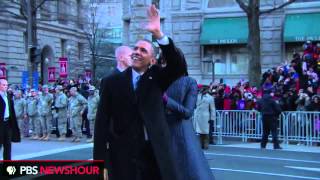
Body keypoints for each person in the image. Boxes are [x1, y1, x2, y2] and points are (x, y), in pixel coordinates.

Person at [94, 5, 185, 180]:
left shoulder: (158, 78)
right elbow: (101, 123)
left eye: (143, 50)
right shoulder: (111, 82)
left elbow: (177, 65)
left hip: (155, 152)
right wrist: (100, 163)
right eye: (135, 49)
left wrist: (158, 34)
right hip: (123, 154)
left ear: (152, 60)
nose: (137, 52)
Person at [162, 54, 214, 180]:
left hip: (180, 134)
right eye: (162, 62)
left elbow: (187, 112)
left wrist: (166, 100)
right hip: (161, 133)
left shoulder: (189, 82)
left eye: (167, 62)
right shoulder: (159, 81)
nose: (164, 65)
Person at [0, 79, 20, 160]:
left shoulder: (8, 95)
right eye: (4, 85)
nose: (6, 86)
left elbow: (11, 110)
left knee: (8, 145)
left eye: (6, 85)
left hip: (8, 123)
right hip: (0, 124)